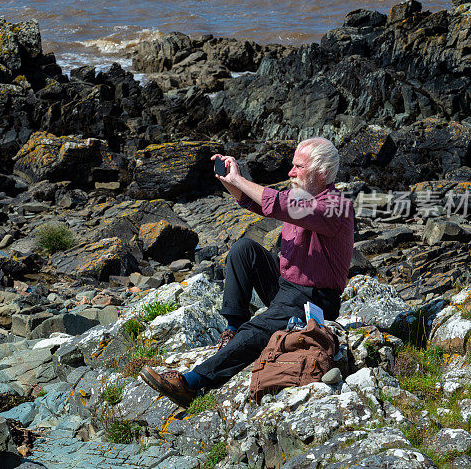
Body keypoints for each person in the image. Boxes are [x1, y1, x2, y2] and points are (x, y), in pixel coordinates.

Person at [140, 137, 354, 407]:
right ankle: (232, 328)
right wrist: (230, 181)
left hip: (314, 300)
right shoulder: (302, 197)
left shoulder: (336, 207)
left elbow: (281, 205)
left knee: (258, 329)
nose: (290, 172)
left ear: (322, 173)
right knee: (244, 249)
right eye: (292, 166)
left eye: (298, 167)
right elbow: (258, 204)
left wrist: (241, 181)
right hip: (286, 286)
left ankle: (192, 383)